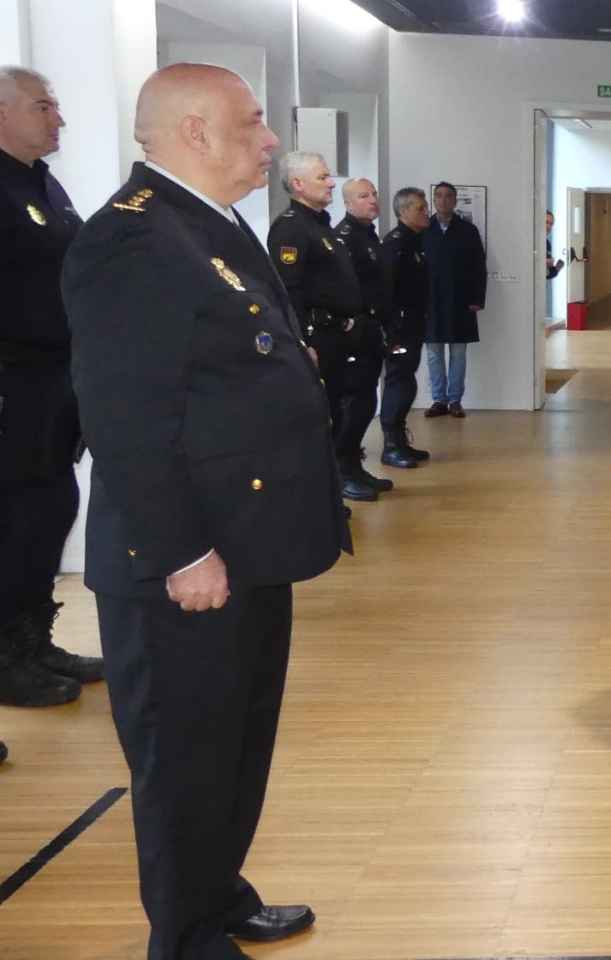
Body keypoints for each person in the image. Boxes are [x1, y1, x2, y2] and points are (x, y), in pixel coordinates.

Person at [62, 62, 349, 960]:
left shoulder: (211, 227)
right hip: (187, 563)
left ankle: (219, 897)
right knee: (185, 762)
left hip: (248, 541)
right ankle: (185, 941)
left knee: (236, 744)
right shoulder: (134, 240)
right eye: (255, 124)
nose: (270, 142)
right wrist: (183, 552)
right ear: (193, 130)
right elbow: (128, 418)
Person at [0, 65, 101, 708]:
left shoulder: (43, 185)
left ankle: (35, 641)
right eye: (43, 106)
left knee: (49, 512)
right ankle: (8, 658)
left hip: (54, 386)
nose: (58, 118)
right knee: (15, 522)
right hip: (13, 386)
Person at [267, 151, 373, 502]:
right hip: (319, 339)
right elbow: (288, 292)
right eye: (322, 177)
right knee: (324, 420)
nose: (331, 182)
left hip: (341, 336)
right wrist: (302, 342)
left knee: (347, 410)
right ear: (298, 184)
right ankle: (324, 497)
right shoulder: (291, 228)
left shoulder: (319, 224)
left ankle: (346, 473)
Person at [334, 177, 393, 493]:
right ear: (347, 203)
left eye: (374, 194)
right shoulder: (344, 238)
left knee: (367, 400)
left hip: (373, 331)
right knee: (354, 404)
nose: (372, 199)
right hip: (354, 335)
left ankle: (354, 466)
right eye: (363, 195)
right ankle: (343, 471)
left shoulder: (369, 236)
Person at [422, 181, 486, 418]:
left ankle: (455, 401)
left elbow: (479, 267)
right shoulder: (423, 228)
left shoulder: (468, 231)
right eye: (438, 196)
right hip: (430, 302)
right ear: (433, 200)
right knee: (433, 353)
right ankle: (438, 400)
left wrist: (477, 298)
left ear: (455, 200)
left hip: (461, 301)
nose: (443, 200)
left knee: (458, 353)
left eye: (449, 196)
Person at [378, 187, 432, 468]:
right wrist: (391, 331)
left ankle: (400, 441)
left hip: (413, 324)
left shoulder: (415, 241)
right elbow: (386, 291)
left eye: (425, 207)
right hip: (399, 328)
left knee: (407, 382)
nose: (426, 212)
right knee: (397, 382)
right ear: (403, 212)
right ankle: (390, 445)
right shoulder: (395, 244)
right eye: (420, 208)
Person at [544, 209, 564, 279]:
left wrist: (557, 269)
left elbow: (547, 275)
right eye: (546, 222)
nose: (549, 226)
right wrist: (543, 262)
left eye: (551, 224)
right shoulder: (529, 241)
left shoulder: (547, 244)